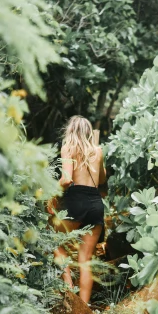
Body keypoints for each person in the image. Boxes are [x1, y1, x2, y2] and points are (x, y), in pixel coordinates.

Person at [50, 116, 106, 304]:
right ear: (89, 132)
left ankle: (69, 289)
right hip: (95, 203)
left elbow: (66, 180)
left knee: (53, 242)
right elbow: (102, 180)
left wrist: (52, 193)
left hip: (75, 201)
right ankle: (84, 309)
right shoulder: (98, 151)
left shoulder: (68, 148)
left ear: (70, 130)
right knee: (85, 261)